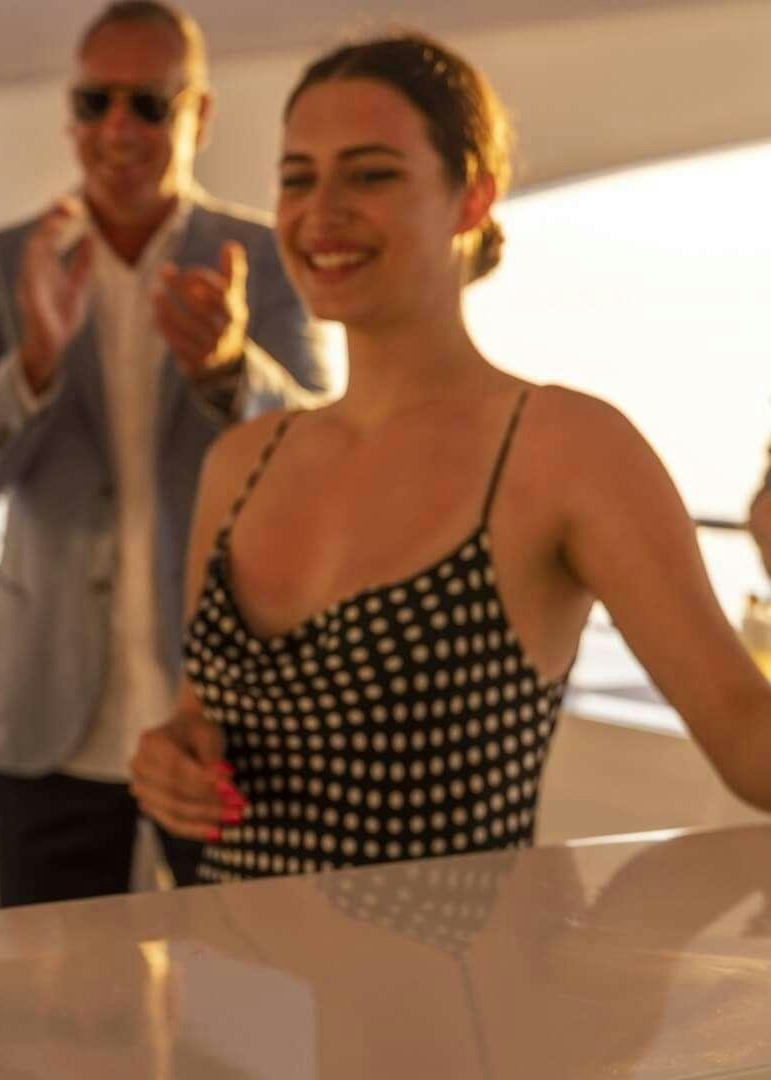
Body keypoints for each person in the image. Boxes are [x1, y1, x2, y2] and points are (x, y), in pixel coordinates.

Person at [129, 32, 771, 881]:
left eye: (371, 173)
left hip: (444, 1005)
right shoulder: (245, 458)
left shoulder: (563, 450)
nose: (321, 211)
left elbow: (749, 745)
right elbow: (200, 720)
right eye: (298, 177)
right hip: (219, 988)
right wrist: (172, 760)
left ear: (472, 197)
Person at [0, 0, 333, 906]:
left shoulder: (267, 262)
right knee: (49, 1015)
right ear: (70, 111)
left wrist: (232, 369)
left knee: (240, 997)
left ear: (200, 116)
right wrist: (32, 357)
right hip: (44, 715)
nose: (117, 128)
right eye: (95, 100)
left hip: (227, 716)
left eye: (149, 104)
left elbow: (322, 462)